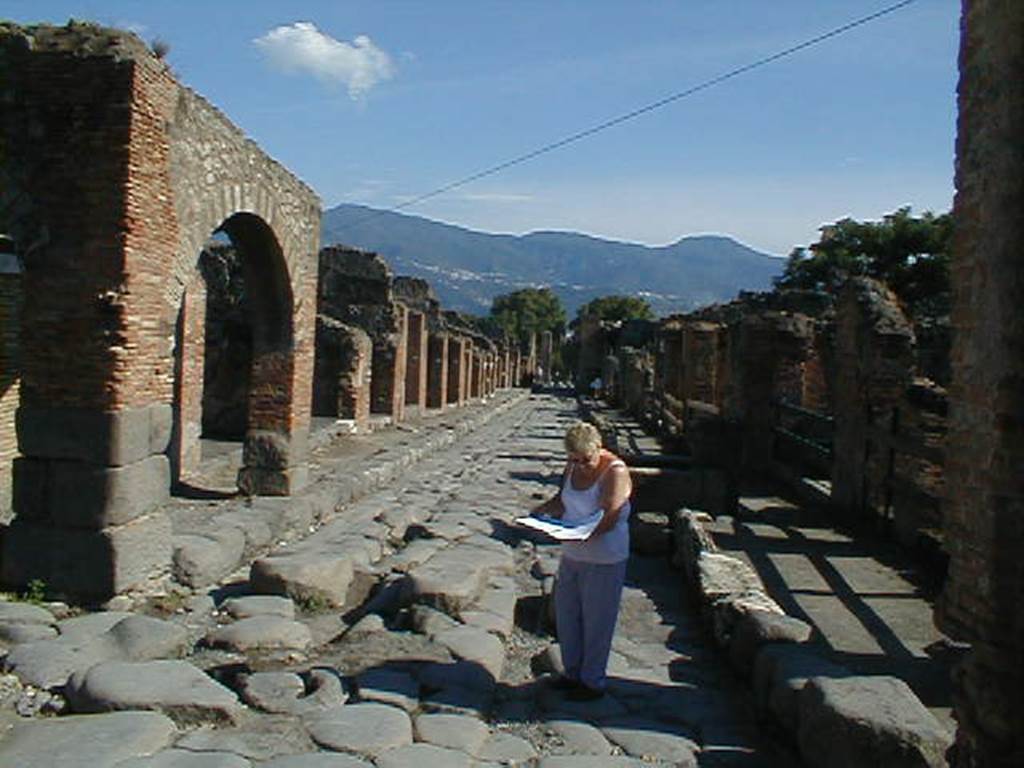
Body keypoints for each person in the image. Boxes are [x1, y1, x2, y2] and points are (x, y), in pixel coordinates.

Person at [531, 420, 632, 700]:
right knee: (568, 615)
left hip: (604, 558)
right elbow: (563, 501)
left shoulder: (615, 471)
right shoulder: (573, 466)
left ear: (598, 448)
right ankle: (571, 672)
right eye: (574, 460)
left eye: (586, 460)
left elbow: (610, 513)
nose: (581, 465)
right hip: (572, 554)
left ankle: (592, 681)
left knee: (597, 620)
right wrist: (539, 513)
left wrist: (584, 535)